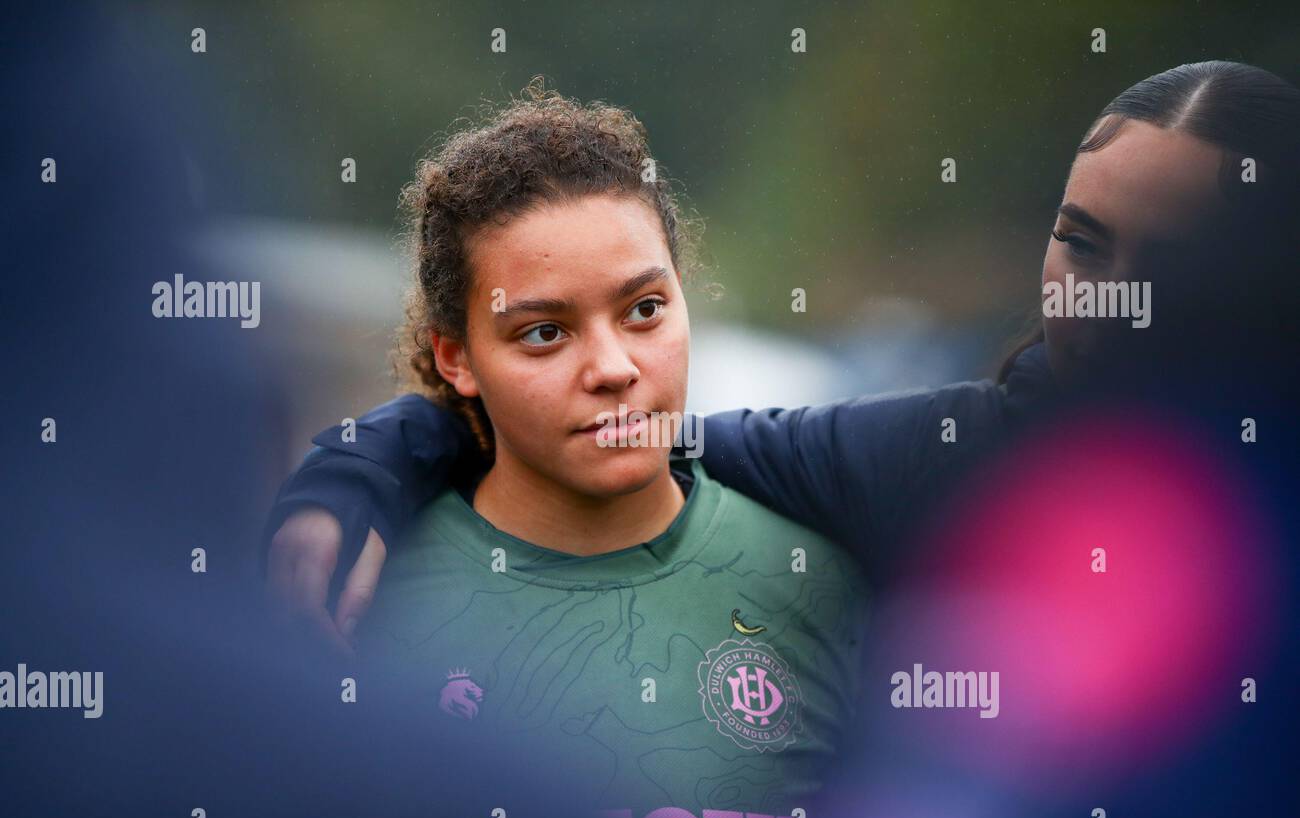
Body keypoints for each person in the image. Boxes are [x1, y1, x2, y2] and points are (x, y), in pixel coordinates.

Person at [266, 60, 1298, 648]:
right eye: (1078, 238)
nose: (1101, 297)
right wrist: (348, 482)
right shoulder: (931, 457)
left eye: (1173, 262)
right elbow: (609, 429)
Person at [338, 81, 866, 818]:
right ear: (457, 358)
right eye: (545, 332)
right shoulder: (357, 601)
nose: (615, 368)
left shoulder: (822, 583)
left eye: (645, 310)